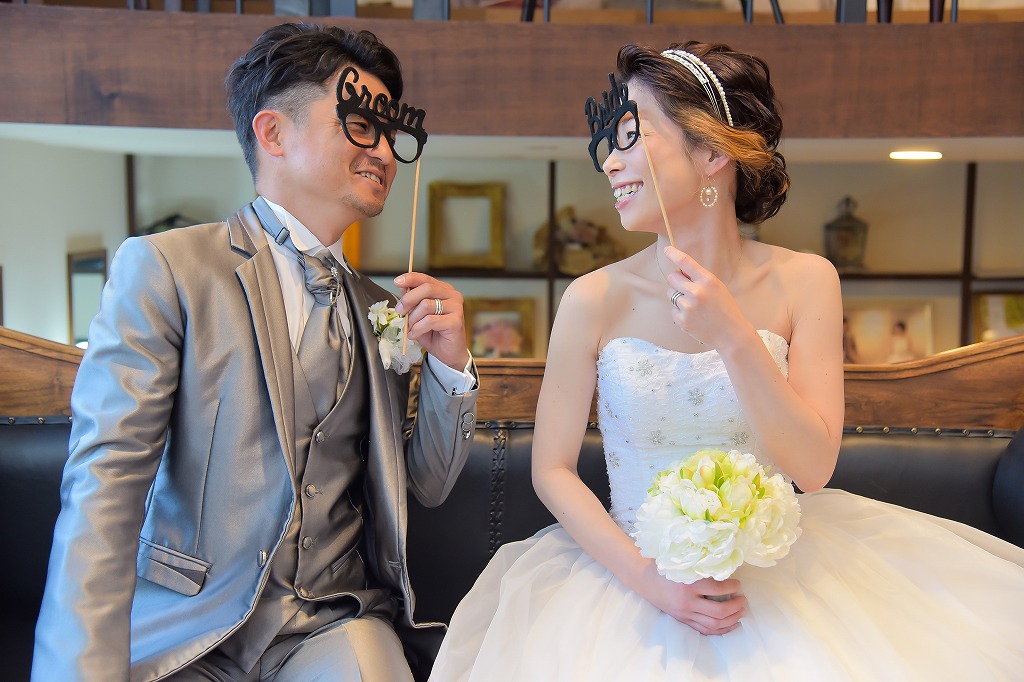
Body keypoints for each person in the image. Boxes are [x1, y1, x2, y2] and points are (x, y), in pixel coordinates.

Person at [429, 41, 1024, 681]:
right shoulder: (592, 298)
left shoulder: (807, 281)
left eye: (632, 137)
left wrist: (734, 335)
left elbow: (813, 468)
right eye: (610, 142)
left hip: (783, 576)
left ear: (713, 152)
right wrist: (651, 581)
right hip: (629, 580)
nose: (610, 161)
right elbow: (552, 470)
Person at [33, 23, 479, 681]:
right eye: (362, 126)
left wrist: (449, 366)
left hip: (333, 620)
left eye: (390, 134)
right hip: (191, 627)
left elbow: (425, 486)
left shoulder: (384, 309)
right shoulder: (168, 268)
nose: (384, 151)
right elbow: (106, 484)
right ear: (272, 133)